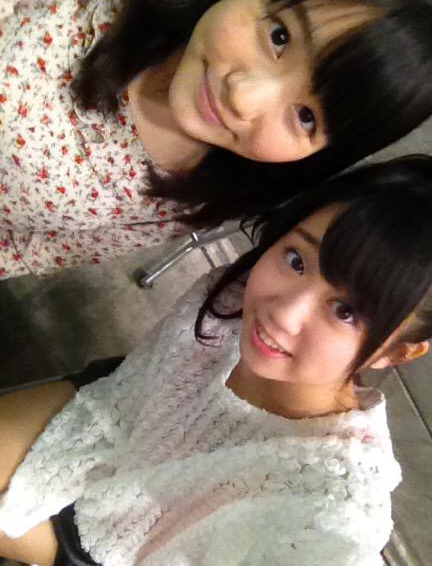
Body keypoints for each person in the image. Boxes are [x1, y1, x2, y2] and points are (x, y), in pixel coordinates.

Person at [1, 155, 432, 566]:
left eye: (346, 312)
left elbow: (332, 544)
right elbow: (134, 389)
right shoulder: (229, 297)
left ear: (397, 351)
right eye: (296, 260)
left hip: (112, 549)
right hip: (110, 412)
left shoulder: (333, 500)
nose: (284, 314)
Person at [1, 0, 432, 279]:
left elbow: (42, 250)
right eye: (279, 36)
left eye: (306, 117)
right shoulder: (106, 3)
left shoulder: (199, 194)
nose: (244, 96)